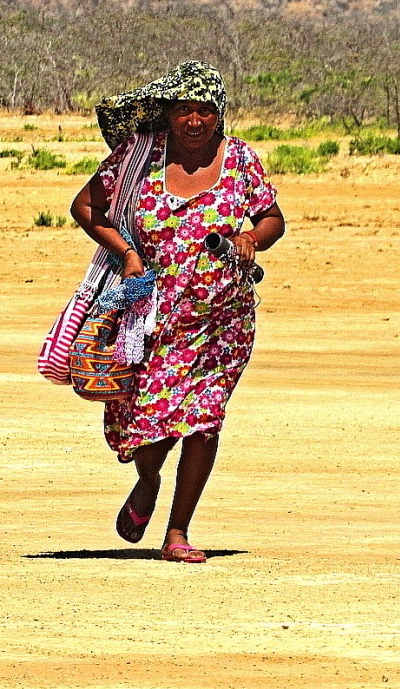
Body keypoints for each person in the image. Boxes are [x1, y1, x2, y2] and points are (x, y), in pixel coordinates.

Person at [70, 61, 285, 563]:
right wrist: (126, 252)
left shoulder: (241, 161)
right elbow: (86, 207)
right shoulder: (138, 156)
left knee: (204, 420)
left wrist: (251, 238)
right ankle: (147, 481)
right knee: (148, 421)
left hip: (223, 320)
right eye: (185, 109)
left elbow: (273, 219)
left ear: (220, 114)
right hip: (152, 315)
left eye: (205, 110)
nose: (194, 121)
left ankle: (178, 532)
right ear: (168, 114)